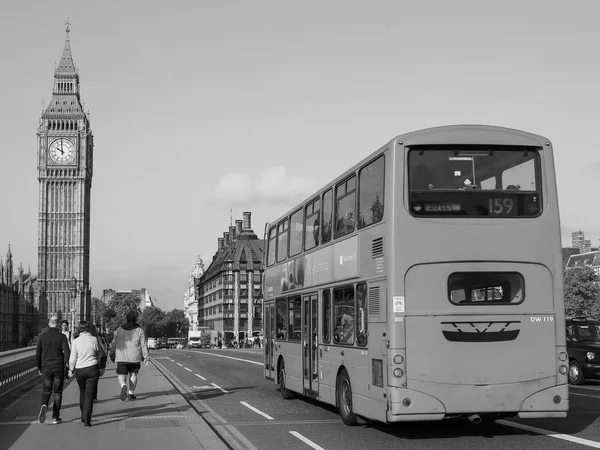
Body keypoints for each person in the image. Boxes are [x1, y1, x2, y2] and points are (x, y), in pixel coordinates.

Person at [35, 316, 70, 424]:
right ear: (58, 324)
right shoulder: (62, 336)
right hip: (58, 367)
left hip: (46, 367)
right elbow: (67, 353)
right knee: (58, 392)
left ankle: (44, 405)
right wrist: (66, 366)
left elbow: (37, 354)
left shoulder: (42, 336)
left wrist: (39, 367)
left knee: (46, 390)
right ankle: (55, 416)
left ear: (49, 323)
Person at [69, 321, 104, 426]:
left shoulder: (75, 341)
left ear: (79, 329)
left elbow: (73, 358)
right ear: (89, 328)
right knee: (89, 395)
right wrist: (101, 368)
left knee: (82, 392)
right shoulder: (94, 339)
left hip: (80, 369)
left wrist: (71, 369)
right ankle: (87, 418)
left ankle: (83, 415)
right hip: (92, 368)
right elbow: (101, 354)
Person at [109, 310, 150, 401]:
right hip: (135, 357)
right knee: (133, 374)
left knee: (121, 374)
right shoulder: (139, 330)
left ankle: (123, 385)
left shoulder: (119, 329)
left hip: (121, 356)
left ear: (126, 319)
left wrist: (112, 353)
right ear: (135, 319)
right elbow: (144, 345)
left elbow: (114, 343)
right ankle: (131, 393)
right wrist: (146, 357)